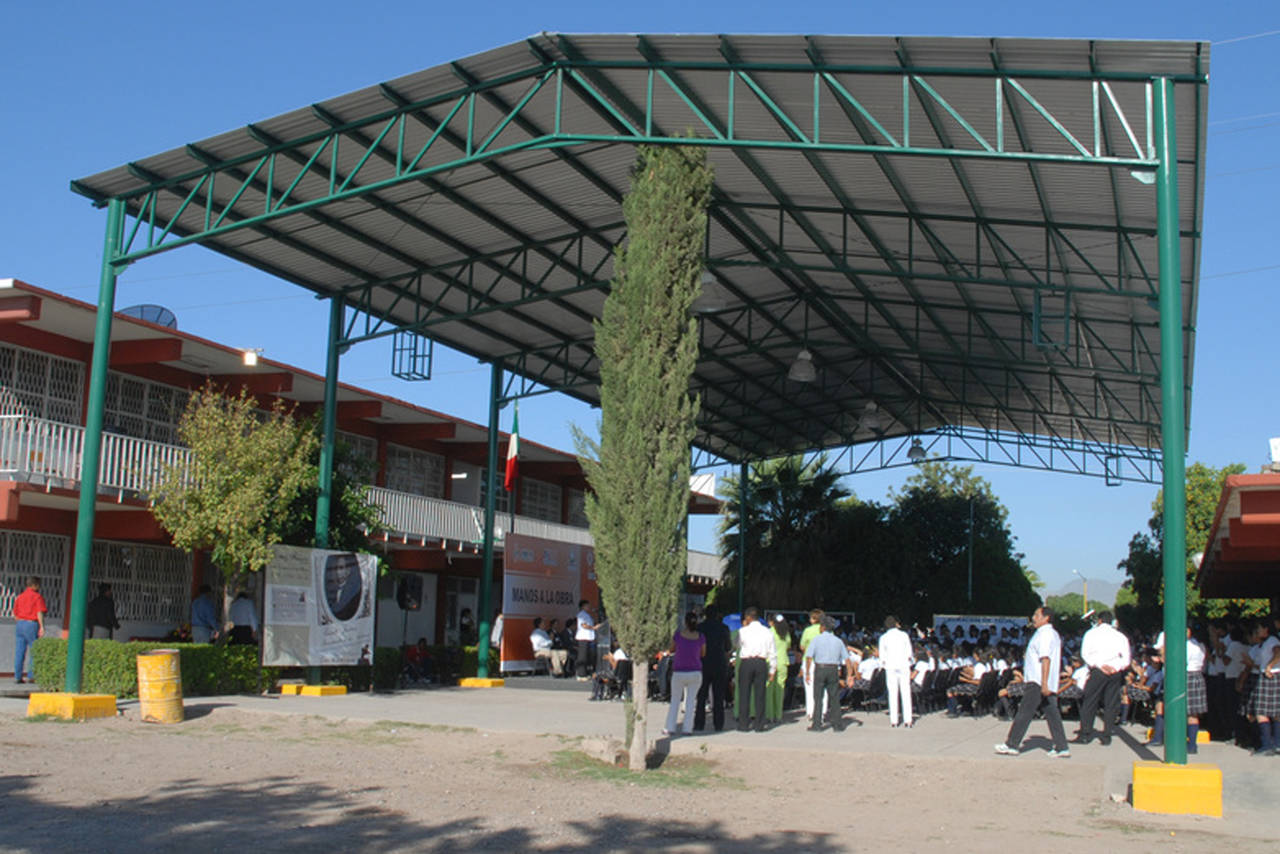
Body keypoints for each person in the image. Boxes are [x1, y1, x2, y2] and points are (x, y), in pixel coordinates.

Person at [995, 606, 1070, 757]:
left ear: (1046, 618)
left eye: (1037, 615)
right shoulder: (1048, 634)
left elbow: (1045, 659)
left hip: (1038, 681)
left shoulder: (1045, 634)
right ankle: (1062, 747)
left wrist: (1043, 683)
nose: (1033, 617)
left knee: (1024, 712)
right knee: (1052, 713)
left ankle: (1012, 744)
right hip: (1042, 681)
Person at [1074, 610, 1131, 746]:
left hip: (1098, 671)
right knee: (1111, 703)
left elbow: (1085, 654)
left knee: (1090, 701)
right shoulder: (1120, 636)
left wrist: (1099, 665)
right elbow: (1126, 658)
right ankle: (1107, 735)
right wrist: (1116, 667)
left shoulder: (1091, 634)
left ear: (1099, 621)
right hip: (1114, 672)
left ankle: (1085, 734)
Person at [804, 616, 854, 731]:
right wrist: (849, 675)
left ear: (823, 627)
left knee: (818, 697)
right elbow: (847, 659)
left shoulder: (816, 639)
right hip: (833, 669)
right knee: (834, 697)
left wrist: (807, 672)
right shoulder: (838, 641)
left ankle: (817, 724)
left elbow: (809, 657)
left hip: (820, 668)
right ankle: (837, 724)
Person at [664, 611, 706, 736]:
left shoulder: (678, 635)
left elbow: (671, 649)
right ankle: (688, 728)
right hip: (695, 671)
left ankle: (670, 727)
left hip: (679, 671)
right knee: (691, 701)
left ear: (685, 622)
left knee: (675, 700)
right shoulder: (701, 637)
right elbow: (703, 653)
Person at [735, 607, 776, 732]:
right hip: (761, 662)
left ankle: (743, 724)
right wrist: (772, 669)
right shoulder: (768, 632)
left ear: (748, 617)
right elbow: (772, 652)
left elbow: (737, 645)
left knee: (744, 693)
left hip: (746, 662)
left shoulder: (742, 631)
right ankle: (759, 724)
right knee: (760, 694)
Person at [694, 605, 732, 732]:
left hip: (703, 664)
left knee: (701, 696)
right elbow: (728, 647)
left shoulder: (699, 628)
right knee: (718, 696)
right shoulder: (724, 628)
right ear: (717, 615)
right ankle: (718, 724)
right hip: (719, 663)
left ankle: (699, 724)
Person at [880, 615, 914, 728]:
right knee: (905, 691)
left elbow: (882, 656)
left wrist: (884, 665)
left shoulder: (883, 637)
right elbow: (909, 652)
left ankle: (894, 720)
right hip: (903, 665)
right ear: (896, 624)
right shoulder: (904, 635)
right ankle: (908, 720)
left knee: (892, 693)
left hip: (890, 666)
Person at [12, 576, 46, 684]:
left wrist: (21, 622)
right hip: (31, 624)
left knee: (19, 651)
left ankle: (18, 676)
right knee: (34, 650)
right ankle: (31, 676)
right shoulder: (37, 597)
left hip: (20, 623)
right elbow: (39, 612)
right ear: (35, 585)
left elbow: (15, 613)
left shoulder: (20, 597)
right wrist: (41, 626)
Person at [799, 609, 825, 724]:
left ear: (814, 619)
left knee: (809, 687)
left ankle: (810, 711)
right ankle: (822, 711)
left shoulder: (807, 631)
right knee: (822, 687)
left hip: (809, 660)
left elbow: (802, 646)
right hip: (823, 660)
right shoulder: (826, 630)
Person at [765, 614, 791, 723]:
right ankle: (778, 714)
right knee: (780, 689)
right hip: (783, 662)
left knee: (769, 689)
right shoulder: (786, 634)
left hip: (770, 662)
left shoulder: (769, 632)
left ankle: (769, 714)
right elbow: (788, 647)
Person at [574, 599, 601, 681]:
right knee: (582, 657)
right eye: (587, 605)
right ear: (583, 606)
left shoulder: (588, 615)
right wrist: (593, 628)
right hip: (583, 638)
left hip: (589, 638)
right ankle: (580, 674)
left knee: (587, 656)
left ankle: (585, 673)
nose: (589, 607)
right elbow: (583, 625)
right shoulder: (581, 615)